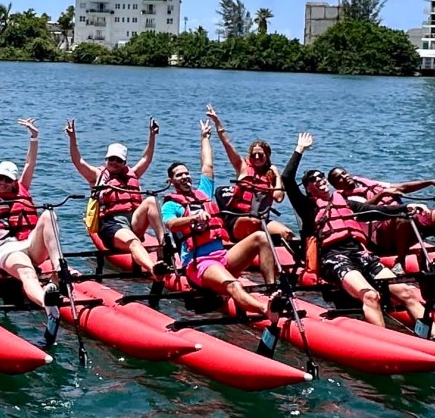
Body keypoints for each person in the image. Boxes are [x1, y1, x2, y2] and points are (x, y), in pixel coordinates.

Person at [282, 133, 428, 332]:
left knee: (406, 292)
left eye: (321, 177)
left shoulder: (347, 204)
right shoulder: (307, 207)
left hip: (360, 254)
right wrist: (300, 149)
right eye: (313, 180)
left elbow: (377, 211)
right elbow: (287, 179)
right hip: (333, 258)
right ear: (308, 189)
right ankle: (384, 345)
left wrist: (407, 208)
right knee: (370, 296)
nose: (319, 180)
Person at [163, 119, 281, 315]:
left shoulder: (203, 192)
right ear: (171, 181)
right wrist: (192, 218)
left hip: (223, 258)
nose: (184, 177)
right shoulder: (171, 204)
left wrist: (205, 138)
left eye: (186, 174)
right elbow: (171, 224)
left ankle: (272, 289)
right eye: (179, 175)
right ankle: (266, 310)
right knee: (234, 285)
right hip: (200, 264)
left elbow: (207, 165)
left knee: (261, 237)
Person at [0, 120, 67, 308]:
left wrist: (34, 137)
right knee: (27, 273)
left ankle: (59, 268)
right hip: (6, 248)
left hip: (30, 243)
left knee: (48, 215)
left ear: (14, 182)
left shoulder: (22, 188)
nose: (2, 182)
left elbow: (30, 162)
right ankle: (45, 301)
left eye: (7, 179)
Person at [67, 118, 167, 278]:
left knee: (151, 200)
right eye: (111, 159)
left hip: (133, 222)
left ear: (124, 162)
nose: (114, 162)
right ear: (106, 159)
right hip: (111, 226)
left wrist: (152, 136)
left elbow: (146, 158)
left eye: (118, 160)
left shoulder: (132, 174)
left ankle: (163, 245)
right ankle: (153, 269)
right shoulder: (96, 176)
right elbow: (77, 161)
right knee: (133, 241)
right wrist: (72, 138)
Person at [203, 105, 294, 248]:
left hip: (262, 220)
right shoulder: (242, 167)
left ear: (268, 156)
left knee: (287, 233)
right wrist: (217, 122)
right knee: (251, 222)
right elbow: (227, 144)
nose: (257, 157)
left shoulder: (270, 174)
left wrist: (276, 175)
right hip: (237, 219)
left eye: (261, 154)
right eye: (253, 154)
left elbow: (278, 197)